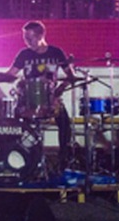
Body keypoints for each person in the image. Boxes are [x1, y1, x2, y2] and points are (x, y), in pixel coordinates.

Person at [6, 20, 76, 171]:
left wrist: (60, 90)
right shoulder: (24, 54)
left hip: (51, 99)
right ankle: (21, 157)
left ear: (41, 35)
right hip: (28, 100)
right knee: (15, 122)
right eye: (25, 38)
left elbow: (72, 76)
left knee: (64, 122)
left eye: (29, 38)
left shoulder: (56, 53)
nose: (26, 42)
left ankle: (64, 160)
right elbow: (10, 74)